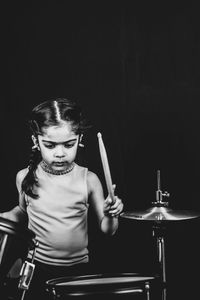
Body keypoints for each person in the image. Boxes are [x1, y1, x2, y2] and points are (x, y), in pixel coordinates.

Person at [0, 97, 124, 300]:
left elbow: (108, 230)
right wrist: (4, 219)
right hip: (37, 268)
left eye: (68, 144)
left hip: (78, 272)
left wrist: (112, 214)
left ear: (80, 139)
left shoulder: (89, 180)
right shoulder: (24, 177)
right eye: (50, 145)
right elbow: (23, 211)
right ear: (36, 141)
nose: (60, 153)